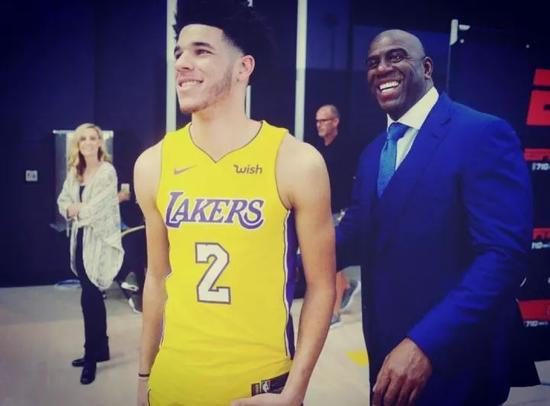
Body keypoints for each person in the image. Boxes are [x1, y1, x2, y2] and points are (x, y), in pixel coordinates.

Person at [133, 1, 335, 405]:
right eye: (179, 52)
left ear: (244, 68)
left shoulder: (296, 161)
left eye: (201, 51)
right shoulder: (152, 164)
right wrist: (143, 378)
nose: (182, 63)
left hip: (258, 387)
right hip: (172, 384)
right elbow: (157, 277)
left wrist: (294, 393)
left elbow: (322, 286)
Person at [336, 29, 539, 405]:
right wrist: (284, 253)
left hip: (456, 360)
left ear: (426, 67)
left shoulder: (481, 134)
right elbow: (356, 232)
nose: (382, 68)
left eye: (396, 57)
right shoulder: (373, 153)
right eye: (373, 62)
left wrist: (425, 343)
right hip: (386, 357)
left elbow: (503, 258)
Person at [57, 123, 124, 385]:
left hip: (99, 242)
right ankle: (102, 349)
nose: (87, 142)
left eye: (93, 138)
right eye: (83, 138)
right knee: (92, 297)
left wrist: (77, 210)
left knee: (90, 299)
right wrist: (70, 209)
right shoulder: (75, 172)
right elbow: (63, 201)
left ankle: (91, 357)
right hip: (80, 241)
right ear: (78, 143)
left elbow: (97, 210)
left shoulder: (107, 172)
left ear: (99, 143)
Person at [313, 104, 360, 328]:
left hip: (340, 211)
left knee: (332, 260)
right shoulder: (320, 149)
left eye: (323, 120)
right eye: (317, 121)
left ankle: (335, 312)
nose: (319, 125)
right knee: (329, 259)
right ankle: (348, 286)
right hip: (323, 212)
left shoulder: (346, 148)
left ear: (335, 122)